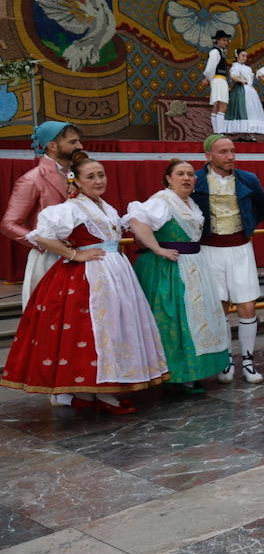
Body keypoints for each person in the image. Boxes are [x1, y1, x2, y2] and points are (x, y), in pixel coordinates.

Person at [1, 152, 166, 413]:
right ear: (76, 181)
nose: (98, 180)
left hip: (115, 273)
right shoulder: (71, 208)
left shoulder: (105, 206)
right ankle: (93, 392)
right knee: (93, 333)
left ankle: (97, 391)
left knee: (112, 329)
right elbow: (42, 236)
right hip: (89, 277)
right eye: (90, 176)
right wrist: (75, 254)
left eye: (101, 175)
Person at [126, 160, 231, 394]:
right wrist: (157, 248)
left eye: (191, 175)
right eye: (180, 174)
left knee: (198, 317)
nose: (187, 178)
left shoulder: (190, 202)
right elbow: (137, 221)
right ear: (168, 178)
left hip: (194, 265)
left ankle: (194, 372)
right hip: (169, 269)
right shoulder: (162, 201)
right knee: (174, 319)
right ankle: (177, 374)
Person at [192, 135, 264, 384]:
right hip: (209, 249)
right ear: (209, 156)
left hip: (240, 247)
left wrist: (246, 226)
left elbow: (263, 207)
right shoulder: (195, 180)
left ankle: (248, 360)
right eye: (224, 152)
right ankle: (226, 359)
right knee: (220, 305)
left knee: (247, 304)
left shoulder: (248, 179)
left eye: (233, 151)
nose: (230, 156)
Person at [2, 121, 80, 306]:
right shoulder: (32, 179)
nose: (80, 146)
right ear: (53, 145)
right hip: (49, 260)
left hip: (80, 256)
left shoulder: (78, 174)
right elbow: (8, 224)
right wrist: (43, 242)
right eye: (73, 142)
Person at [224, 49, 264, 139]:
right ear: (237, 56)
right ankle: (240, 133)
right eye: (242, 55)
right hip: (240, 90)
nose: (245, 58)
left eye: (246, 56)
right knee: (241, 110)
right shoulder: (235, 66)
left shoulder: (248, 68)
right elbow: (233, 76)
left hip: (250, 91)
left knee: (251, 111)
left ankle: (250, 133)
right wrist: (241, 81)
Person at [201, 30, 232, 134]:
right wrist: (207, 78)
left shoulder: (220, 52)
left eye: (227, 41)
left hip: (220, 80)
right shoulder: (215, 52)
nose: (226, 43)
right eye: (224, 40)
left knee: (217, 105)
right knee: (222, 105)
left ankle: (217, 131)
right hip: (218, 80)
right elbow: (211, 67)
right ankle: (220, 131)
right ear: (217, 40)